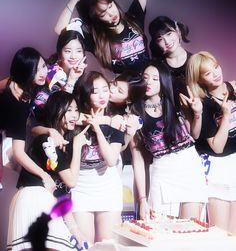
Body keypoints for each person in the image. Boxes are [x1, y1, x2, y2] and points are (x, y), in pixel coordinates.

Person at [7, 90, 89, 250]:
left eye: (76, 110)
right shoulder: (48, 142)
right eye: (69, 110)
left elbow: (60, 193)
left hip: (41, 200)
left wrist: (76, 231)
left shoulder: (58, 145)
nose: (74, 115)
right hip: (35, 200)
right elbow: (71, 181)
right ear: (56, 111)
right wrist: (78, 146)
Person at [130, 61, 208, 220]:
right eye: (146, 78)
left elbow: (195, 134)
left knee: (190, 229)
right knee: (163, 231)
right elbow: (138, 160)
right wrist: (142, 199)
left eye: (155, 79)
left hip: (189, 166)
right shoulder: (135, 112)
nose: (149, 82)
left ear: (163, 81)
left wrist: (198, 114)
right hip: (161, 169)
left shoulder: (176, 102)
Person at [181, 51, 236, 233]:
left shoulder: (233, 88)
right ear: (199, 79)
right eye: (208, 73)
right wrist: (226, 116)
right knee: (220, 234)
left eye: (216, 67)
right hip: (218, 169)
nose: (216, 73)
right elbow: (217, 147)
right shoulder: (203, 105)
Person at [71, 71, 125, 244]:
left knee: (107, 245)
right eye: (95, 91)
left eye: (105, 89)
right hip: (80, 188)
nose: (102, 95)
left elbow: (110, 160)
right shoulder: (75, 121)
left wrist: (99, 129)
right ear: (86, 95)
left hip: (108, 187)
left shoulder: (116, 122)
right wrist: (102, 121)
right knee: (84, 245)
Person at [55, 0, 150, 75]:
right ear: (97, 18)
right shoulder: (96, 40)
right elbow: (59, 30)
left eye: (110, 6)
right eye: (103, 14)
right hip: (124, 88)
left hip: (151, 82)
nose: (111, 13)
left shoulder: (133, 18)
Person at [0, 47, 55, 189]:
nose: (43, 73)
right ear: (25, 73)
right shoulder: (19, 105)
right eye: (35, 71)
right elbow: (18, 153)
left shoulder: (16, 82)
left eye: (43, 66)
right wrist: (45, 176)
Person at [149, 16, 192, 103]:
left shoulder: (195, 60)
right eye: (160, 39)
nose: (167, 42)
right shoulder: (157, 66)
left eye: (169, 34)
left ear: (177, 30)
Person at [47, 29, 87, 94]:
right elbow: (61, 103)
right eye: (68, 51)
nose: (73, 56)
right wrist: (71, 80)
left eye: (78, 51)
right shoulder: (54, 73)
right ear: (60, 53)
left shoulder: (81, 73)